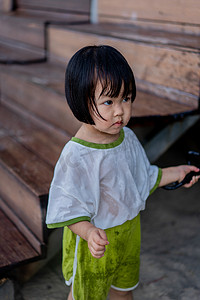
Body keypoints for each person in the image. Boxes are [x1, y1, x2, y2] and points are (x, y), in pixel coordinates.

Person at [46, 45, 200, 300]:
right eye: (108, 101)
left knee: (123, 290)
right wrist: (88, 232)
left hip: (129, 234)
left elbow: (142, 176)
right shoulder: (77, 155)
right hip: (96, 241)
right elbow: (67, 207)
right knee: (86, 294)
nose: (120, 110)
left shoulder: (126, 137)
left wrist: (177, 171)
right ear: (81, 101)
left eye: (126, 99)